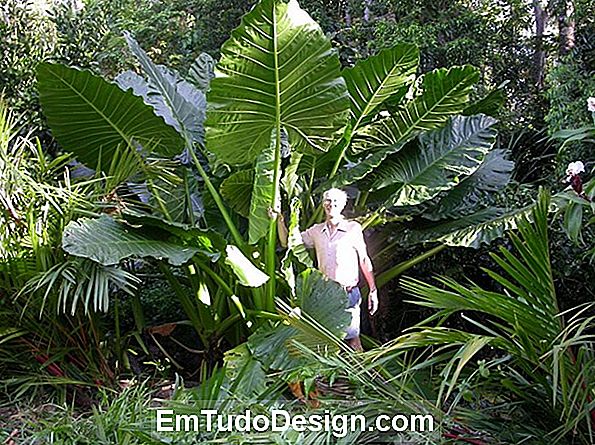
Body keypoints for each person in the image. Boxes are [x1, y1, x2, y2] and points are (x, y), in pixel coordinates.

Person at [272, 188, 378, 351]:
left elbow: (364, 259)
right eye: (328, 200)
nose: (331, 204)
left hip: (347, 293)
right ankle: (329, 376)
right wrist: (279, 220)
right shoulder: (316, 231)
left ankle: (358, 374)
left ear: (343, 205)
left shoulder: (352, 229)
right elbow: (288, 242)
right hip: (324, 295)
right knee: (325, 341)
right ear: (323, 204)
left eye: (335, 201)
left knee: (352, 340)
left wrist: (372, 290)